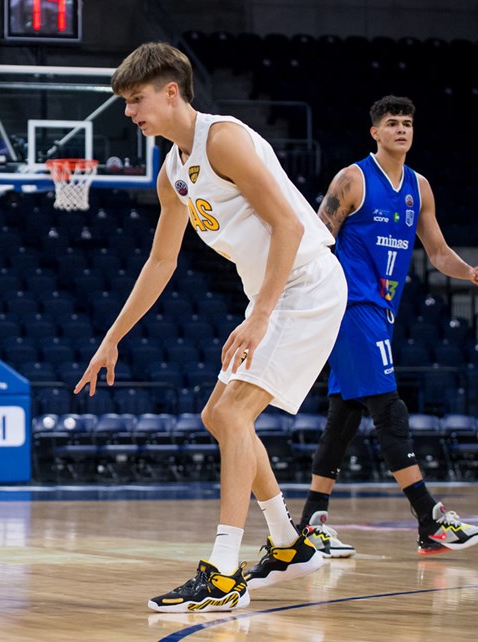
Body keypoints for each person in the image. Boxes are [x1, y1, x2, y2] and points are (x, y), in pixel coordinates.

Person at [75, 42, 348, 613]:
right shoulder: (173, 170)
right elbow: (161, 262)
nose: (129, 112)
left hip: (306, 284)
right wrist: (112, 337)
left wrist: (261, 314)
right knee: (217, 417)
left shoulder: (222, 138)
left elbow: (288, 227)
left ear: (171, 91)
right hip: (275, 292)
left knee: (230, 414)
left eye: (136, 99)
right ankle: (288, 543)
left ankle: (224, 572)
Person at [288, 95, 478, 564]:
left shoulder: (420, 187)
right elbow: (315, 240)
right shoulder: (352, 179)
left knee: (345, 413)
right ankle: (429, 518)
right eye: (392, 123)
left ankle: (311, 523)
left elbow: (436, 252)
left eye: (407, 123)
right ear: (374, 131)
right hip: (352, 306)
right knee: (388, 410)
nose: (401, 130)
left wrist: (471, 272)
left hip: (381, 312)